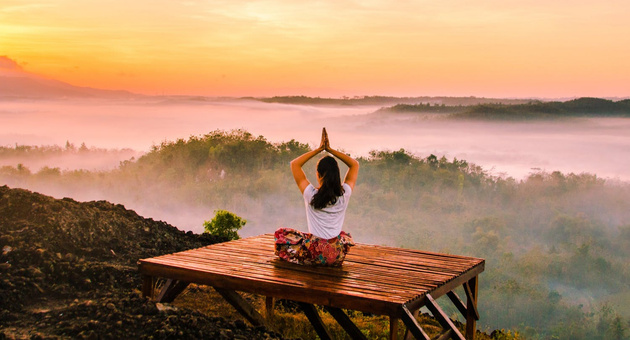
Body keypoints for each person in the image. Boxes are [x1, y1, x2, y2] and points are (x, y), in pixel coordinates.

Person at [274, 128, 359, 266]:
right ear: (337, 175)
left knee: (281, 234)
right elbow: (354, 164)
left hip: (314, 254)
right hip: (336, 256)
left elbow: (295, 164)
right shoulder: (344, 194)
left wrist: (319, 149)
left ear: (318, 175)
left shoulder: (311, 195)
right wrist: (330, 150)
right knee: (343, 236)